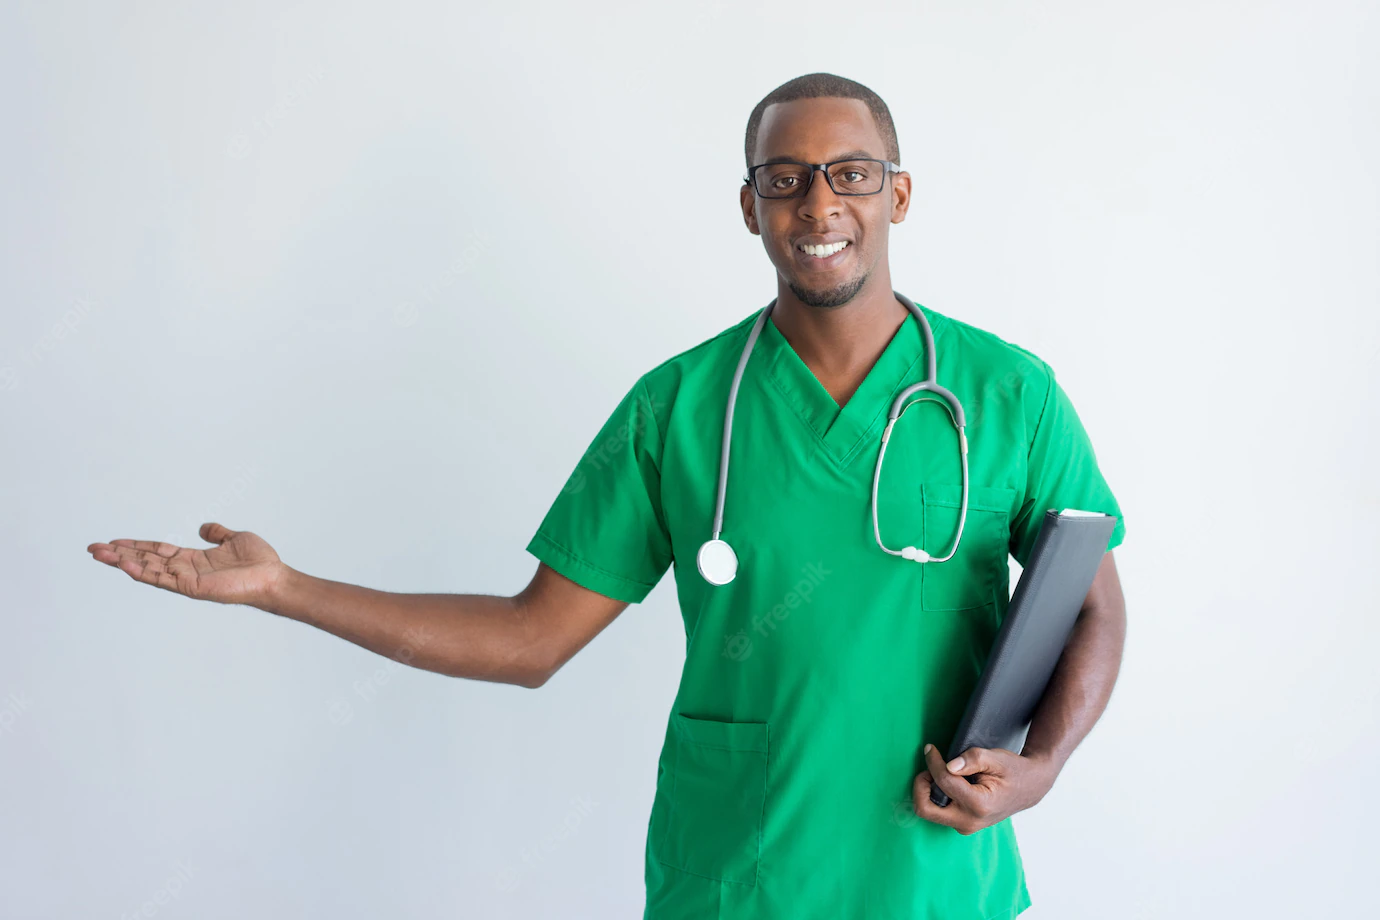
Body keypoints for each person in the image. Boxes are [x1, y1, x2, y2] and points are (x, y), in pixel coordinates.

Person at [87, 72, 1127, 919]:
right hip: (734, 885)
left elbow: (1094, 602)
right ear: (750, 205)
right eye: (785, 178)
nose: (819, 205)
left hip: (937, 883)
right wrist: (286, 588)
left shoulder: (1008, 394)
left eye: (851, 173)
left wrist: (1043, 765)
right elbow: (530, 637)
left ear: (897, 194)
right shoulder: (676, 408)